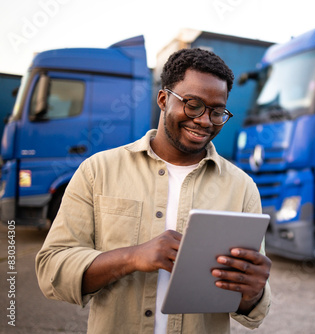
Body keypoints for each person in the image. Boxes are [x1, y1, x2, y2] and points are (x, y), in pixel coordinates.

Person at [35, 48, 272, 334]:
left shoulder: (242, 188)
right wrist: (132, 257)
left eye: (217, 112)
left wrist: (253, 292)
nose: (205, 120)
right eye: (193, 104)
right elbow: (52, 271)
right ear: (163, 99)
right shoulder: (97, 171)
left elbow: (253, 312)